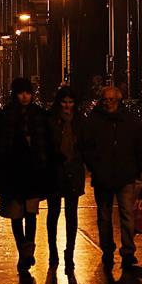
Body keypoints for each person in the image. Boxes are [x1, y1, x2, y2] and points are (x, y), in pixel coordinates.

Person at [0, 78, 54, 274]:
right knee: (17, 216)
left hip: (33, 173)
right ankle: (24, 250)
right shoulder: (7, 116)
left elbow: (48, 144)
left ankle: (28, 250)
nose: (25, 96)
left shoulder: (38, 115)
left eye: (28, 92)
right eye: (21, 93)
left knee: (30, 214)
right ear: (15, 94)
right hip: (13, 173)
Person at [84, 85, 142, 268]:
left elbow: (139, 145)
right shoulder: (96, 121)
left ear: (118, 101)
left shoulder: (128, 121)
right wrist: (95, 166)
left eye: (111, 99)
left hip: (124, 174)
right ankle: (108, 249)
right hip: (106, 174)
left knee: (126, 215)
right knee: (105, 217)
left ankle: (127, 251)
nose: (108, 103)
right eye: (105, 99)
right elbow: (88, 147)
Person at [47, 86, 86, 273]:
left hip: (74, 173)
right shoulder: (51, 121)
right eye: (64, 102)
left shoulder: (79, 122)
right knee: (53, 214)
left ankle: (69, 252)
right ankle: (52, 250)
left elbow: (86, 146)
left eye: (70, 102)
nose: (67, 106)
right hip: (55, 172)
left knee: (72, 215)